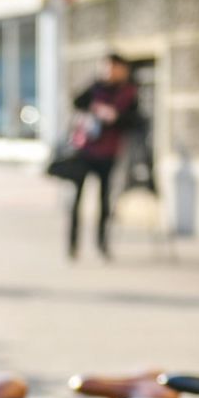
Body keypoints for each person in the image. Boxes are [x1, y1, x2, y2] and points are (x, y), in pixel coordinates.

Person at [67, 53, 139, 260]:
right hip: (85, 151)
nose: (108, 71)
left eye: (112, 67)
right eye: (105, 67)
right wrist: (96, 104)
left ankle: (101, 243)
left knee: (104, 200)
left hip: (109, 153)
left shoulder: (128, 92)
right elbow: (77, 101)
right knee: (76, 199)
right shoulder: (96, 87)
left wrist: (115, 116)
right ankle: (73, 244)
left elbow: (135, 121)